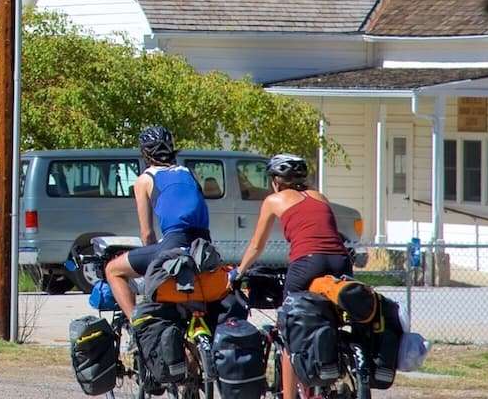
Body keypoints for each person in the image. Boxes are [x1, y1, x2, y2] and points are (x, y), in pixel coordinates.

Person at [234, 153, 354, 399]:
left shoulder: (274, 200)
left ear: (277, 180)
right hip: (340, 260)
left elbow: (257, 246)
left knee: (290, 329)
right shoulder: (320, 197)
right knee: (330, 317)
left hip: (307, 261)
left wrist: (239, 271)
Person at [105, 125, 212, 321]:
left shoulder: (145, 180)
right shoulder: (190, 173)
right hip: (203, 247)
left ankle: (137, 325)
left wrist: (153, 265)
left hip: (173, 245)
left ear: (145, 153)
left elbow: (147, 233)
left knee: (113, 270)